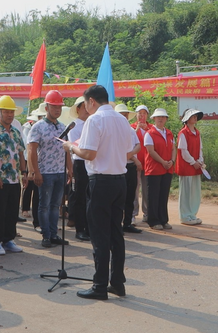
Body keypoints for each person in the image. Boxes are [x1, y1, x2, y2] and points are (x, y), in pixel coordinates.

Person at [63, 85, 138, 300]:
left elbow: (88, 153)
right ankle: (117, 283)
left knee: (99, 235)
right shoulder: (122, 120)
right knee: (116, 234)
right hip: (119, 180)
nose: (86, 108)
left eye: (86, 104)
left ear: (92, 102)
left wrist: (70, 147)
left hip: (101, 181)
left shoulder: (94, 120)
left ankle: (99, 285)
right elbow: (127, 150)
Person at [0, 95, 27, 256]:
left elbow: (21, 153)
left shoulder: (16, 132)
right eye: (6, 112)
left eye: (12, 112)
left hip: (14, 179)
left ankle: (9, 239)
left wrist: (24, 173)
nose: (10, 115)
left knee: (11, 211)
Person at [28, 91, 72, 248]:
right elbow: (32, 150)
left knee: (56, 205)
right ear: (46, 107)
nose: (57, 110)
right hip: (45, 172)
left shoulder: (62, 127)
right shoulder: (38, 127)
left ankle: (54, 234)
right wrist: (36, 172)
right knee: (44, 205)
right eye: (54, 106)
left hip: (60, 173)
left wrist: (69, 169)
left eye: (59, 107)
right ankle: (46, 235)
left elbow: (66, 150)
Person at [144, 108, 175, 231]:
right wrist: (163, 162)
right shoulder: (149, 133)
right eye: (158, 117)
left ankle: (163, 219)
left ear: (166, 119)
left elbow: (173, 148)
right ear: (154, 119)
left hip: (167, 169)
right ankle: (153, 220)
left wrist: (171, 161)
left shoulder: (169, 133)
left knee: (163, 195)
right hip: (154, 169)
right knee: (153, 196)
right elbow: (151, 151)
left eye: (163, 117)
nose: (160, 119)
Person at [114, 104, 142, 234]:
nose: (124, 117)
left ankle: (128, 222)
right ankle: (117, 223)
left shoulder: (131, 130)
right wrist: (133, 158)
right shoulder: (113, 130)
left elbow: (138, 145)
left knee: (131, 196)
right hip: (120, 166)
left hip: (130, 166)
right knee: (119, 197)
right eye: (122, 115)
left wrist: (130, 156)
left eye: (126, 115)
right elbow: (117, 150)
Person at [67, 96, 91, 241]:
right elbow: (77, 145)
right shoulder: (74, 126)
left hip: (92, 163)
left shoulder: (93, 123)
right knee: (80, 197)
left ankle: (89, 227)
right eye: (84, 107)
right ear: (78, 109)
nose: (87, 110)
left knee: (91, 197)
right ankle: (80, 228)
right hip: (80, 163)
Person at [176, 108, 205, 226]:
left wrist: (200, 160)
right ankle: (185, 216)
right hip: (187, 167)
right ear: (187, 119)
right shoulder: (183, 133)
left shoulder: (197, 133)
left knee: (195, 192)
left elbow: (200, 149)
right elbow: (183, 151)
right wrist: (193, 162)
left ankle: (192, 214)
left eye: (196, 116)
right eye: (193, 116)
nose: (195, 118)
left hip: (196, 166)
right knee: (186, 192)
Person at [21, 104, 44, 225]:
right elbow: (27, 145)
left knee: (38, 190)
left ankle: (39, 218)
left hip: (41, 161)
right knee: (28, 185)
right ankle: (24, 208)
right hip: (28, 159)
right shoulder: (28, 128)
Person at [132, 105, 152, 223]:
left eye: (144, 113)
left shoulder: (152, 128)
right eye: (139, 113)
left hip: (148, 163)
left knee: (146, 189)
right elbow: (129, 140)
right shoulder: (132, 128)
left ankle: (147, 213)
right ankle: (133, 213)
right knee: (135, 189)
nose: (141, 115)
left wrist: (147, 130)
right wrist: (137, 129)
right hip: (135, 162)